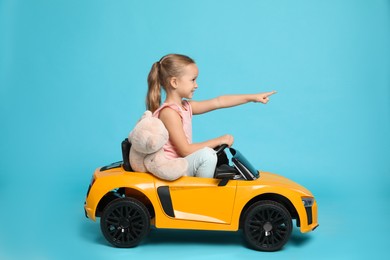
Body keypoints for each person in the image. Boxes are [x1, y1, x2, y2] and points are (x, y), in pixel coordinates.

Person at [146, 54, 276, 178]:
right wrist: (218, 141)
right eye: (192, 80)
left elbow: (219, 101)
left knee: (214, 156)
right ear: (174, 82)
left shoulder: (186, 107)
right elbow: (185, 150)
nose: (196, 85)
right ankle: (203, 197)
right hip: (172, 169)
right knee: (207, 155)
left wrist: (252, 97)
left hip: (182, 165)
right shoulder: (169, 112)